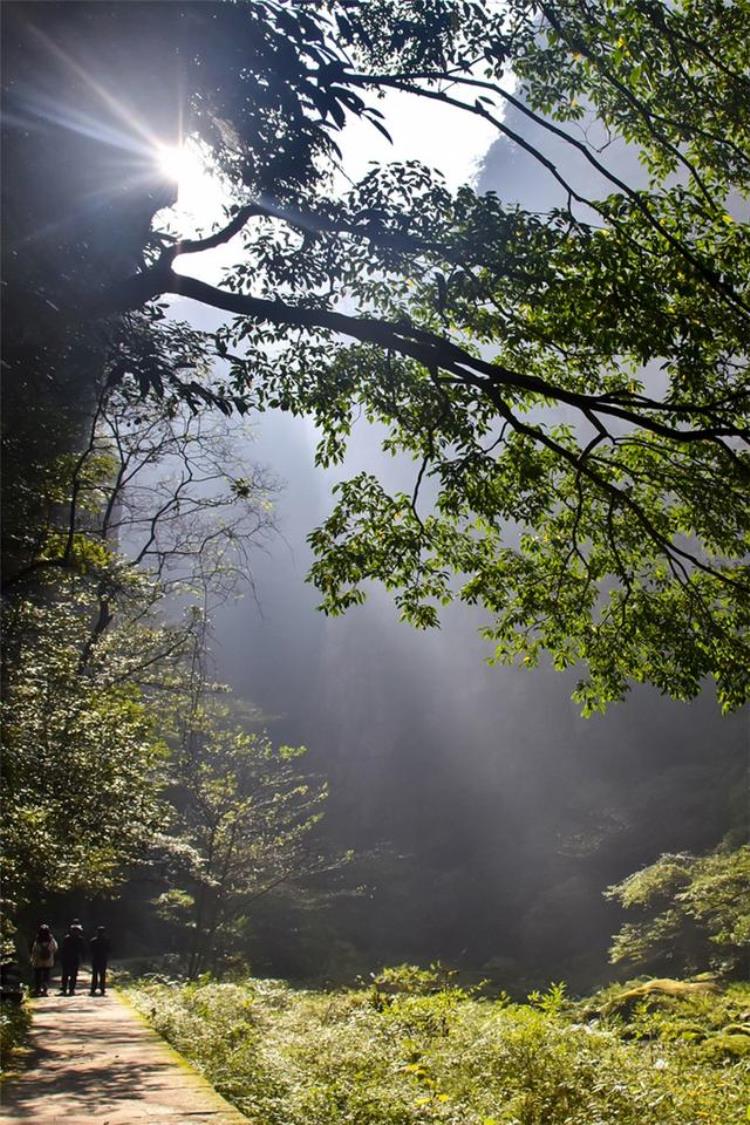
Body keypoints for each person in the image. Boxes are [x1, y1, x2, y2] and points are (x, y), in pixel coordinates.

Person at [59, 922, 86, 996]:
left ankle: (65, 989)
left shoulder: (67, 938)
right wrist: (83, 958)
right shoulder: (80, 939)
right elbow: (82, 950)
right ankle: (71, 989)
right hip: (73, 959)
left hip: (67, 959)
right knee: (72, 975)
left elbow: (63, 949)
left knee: (66, 974)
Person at [30, 925, 57, 997]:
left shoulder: (38, 940)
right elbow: (55, 948)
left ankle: (37, 989)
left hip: (38, 961)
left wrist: (33, 959)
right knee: (46, 975)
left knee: (38, 975)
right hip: (48, 961)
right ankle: (45, 989)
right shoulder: (51, 939)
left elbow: (34, 950)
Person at [89, 926, 110, 996]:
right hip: (103, 959)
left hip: (95, 959)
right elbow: (109, 950)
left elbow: (90, 950)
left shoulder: (93, 940)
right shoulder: (106, 940)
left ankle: (93, 988)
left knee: (95, 974)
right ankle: (102, 988)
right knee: (102, 974)